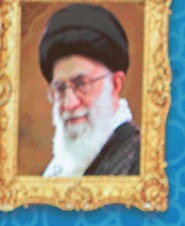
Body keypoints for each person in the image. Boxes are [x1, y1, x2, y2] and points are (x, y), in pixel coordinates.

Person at [38, 4, 140, 177]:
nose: (69, 104)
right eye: (60, 88)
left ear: (115, 85)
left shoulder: (140, 162)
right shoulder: (55, 171)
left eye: (81, 84)